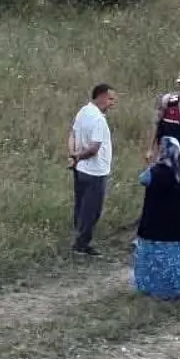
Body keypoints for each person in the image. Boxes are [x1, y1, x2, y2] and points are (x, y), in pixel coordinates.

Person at [133, 136, 180, 301]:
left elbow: (142, 179)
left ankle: (152, 289)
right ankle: (175, 289)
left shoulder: (155, 172)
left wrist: (151, 163)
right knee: (174, 262)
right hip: (178, 229)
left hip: (155, 227)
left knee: (153, 261)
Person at [68, 83, 115, 257]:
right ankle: (81, 244)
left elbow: (72, 134)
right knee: (92, 210)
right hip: (95, 171)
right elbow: (94, 148)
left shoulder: (83, 111)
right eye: (110, 99)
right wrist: (79, 156)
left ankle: (78, 237)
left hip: (80, 169)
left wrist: (73, 155)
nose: (112, 103)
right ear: (101, 96)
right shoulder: (98, 120)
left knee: (81, 206)